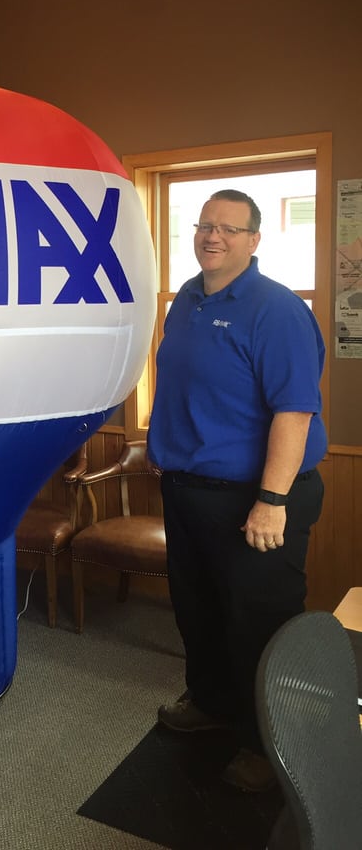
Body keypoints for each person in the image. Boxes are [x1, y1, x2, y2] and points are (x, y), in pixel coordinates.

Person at [147, 188, 327, 793]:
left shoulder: (277, 310)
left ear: (254, 240)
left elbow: (294, 412)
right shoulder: (186, 300)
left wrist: (272, 502)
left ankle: (271, 745)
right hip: (189, 491)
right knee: (199, 611)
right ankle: (212, 704)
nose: (212, 236)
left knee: (260, 625)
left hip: (257, 499)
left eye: (228, 228)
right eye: (205, 225)